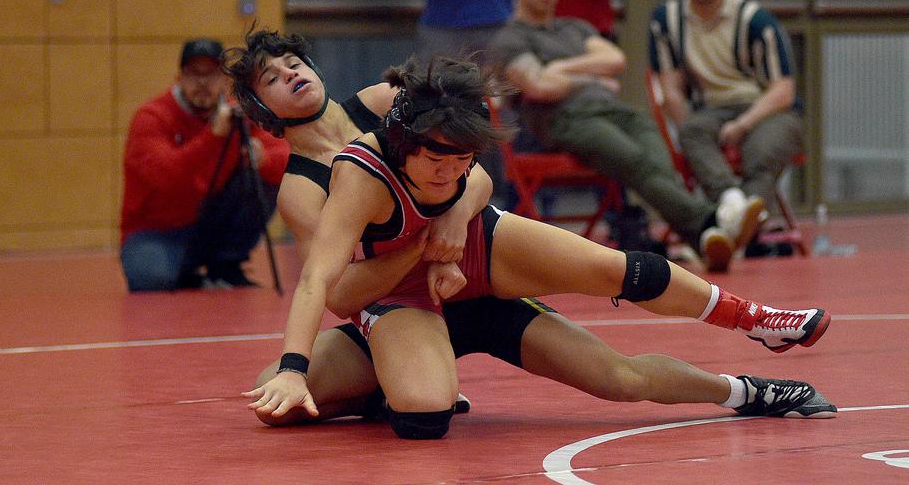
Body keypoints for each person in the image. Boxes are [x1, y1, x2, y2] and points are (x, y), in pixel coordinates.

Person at [238, 46, 835, 440]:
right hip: (405, 295)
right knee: (418, 418)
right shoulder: (345, 178)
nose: (452, 172)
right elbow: (328, 285)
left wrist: (454, 215)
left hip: (477, 257)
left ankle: (752, 350)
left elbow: (477, 176)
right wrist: (295, 366)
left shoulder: (387, 106)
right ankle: (398, 377)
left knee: (619, 307)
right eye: (273, 76)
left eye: (295, 62)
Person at [489, 0, 763, 271]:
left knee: (657, 157)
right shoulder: (510, 39)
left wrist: (560, 69)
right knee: (635, 161)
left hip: (613, 109)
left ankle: (705, 237)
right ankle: (713, 221)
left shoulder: (574, 27)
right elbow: (540, 87)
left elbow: (616, 60)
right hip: (563, 120)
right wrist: (593, 74)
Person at [648, 0, 803, 229]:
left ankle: (730, 226)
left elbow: (784, 90)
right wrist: (691, 131)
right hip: (710, 109)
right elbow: (670, 90)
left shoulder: (755, 19)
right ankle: (734, 206)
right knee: (691, 132)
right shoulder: (666, 20)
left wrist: (743, 124)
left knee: (761, 151)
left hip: (766, 108)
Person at [119, 38, 289, 292]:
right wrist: (212, 136)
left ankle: (226, 264)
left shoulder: (237, 114)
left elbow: (286, 157)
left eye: (211, 75)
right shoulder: (151, 117)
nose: (202, 83)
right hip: (155, 230)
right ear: (179, 78)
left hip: (208, 224)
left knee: (265, 178)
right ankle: (187, 272)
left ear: (224, 80)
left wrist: (263, 158)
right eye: (194, 74)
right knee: (151, 281)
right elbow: (166, 178)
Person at [411, 0, 517, 206]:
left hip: (496, 25)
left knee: (497, 115)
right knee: (434, 112)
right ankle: (436, 199)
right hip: (442, 29)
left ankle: (498, 200)